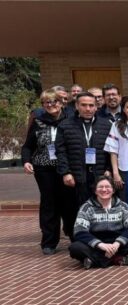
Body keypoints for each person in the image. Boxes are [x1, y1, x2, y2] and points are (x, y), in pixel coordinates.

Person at [22, 89, 75, 255]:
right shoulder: (38, 122)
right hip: (44, 169)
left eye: (55, 101)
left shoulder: (71, 120)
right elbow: (28, 146)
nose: (51, 105)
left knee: (69, 202)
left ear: (61, 103)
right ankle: (49, 241)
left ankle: (74, 235)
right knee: (49, 203)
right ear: (43, 105)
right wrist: (26, 161)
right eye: (47, 102)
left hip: (67, 168)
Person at [68, 176, 128, 269]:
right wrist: (100, 245)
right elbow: (80, 231)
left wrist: (117, 243)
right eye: (100, 187)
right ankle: (118, 259)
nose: (104, 190)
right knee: (75, 248)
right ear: (95, 191)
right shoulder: (86, 207)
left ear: (113, 190)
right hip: (96, 244)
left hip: (117, 244)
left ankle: (95, 260)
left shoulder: (122, 206)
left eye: (108, 187)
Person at [55, 92, 113, 213]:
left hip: (100, 175)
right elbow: (60, 151)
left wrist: (109, 169)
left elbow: (111, 150)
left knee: (101, 209)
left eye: (91, 105)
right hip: (76, 176)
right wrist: (66, 172)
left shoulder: (107, 125)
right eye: (84, 105)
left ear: (96, 107)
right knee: (79, 211)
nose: (88, 109)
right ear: (77, 106)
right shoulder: (65, 125)